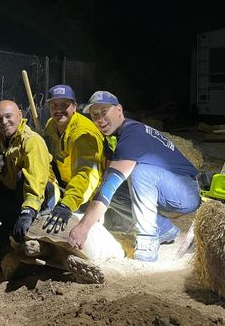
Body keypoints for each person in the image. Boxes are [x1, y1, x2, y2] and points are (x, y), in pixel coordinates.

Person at [68, 91, 201, 262]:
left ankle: (147, 239)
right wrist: (97, 214)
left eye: (104, 112)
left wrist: (83, 227)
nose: (100, 119)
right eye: (95, 115)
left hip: (187, 191)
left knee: (139, 172)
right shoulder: (114, 137)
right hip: (166, 187)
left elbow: (111, 184)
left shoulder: (132, 134)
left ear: (119, 110)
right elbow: (107, 184)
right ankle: (163, 228)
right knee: (110, 188)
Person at [0, 100, 59, 243]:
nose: (4, 122)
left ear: (20, 115)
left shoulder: (32, 141)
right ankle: (8, 221)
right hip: (12, 190)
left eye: (9, 116)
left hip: (41, 194)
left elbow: (36, 179)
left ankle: (31, 218)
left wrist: (28, 210)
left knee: (22, 176)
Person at [41, 85, 106, 234]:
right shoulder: (51, 126)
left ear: (74, 106)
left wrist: (67, 205)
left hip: (89, 193)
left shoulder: (83, 135)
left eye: (65, 105)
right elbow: (49, 160)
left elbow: (86, 175)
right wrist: (52, 185)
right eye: (54, 105)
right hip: (66, 184)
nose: (58, 110)